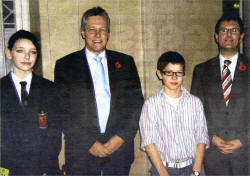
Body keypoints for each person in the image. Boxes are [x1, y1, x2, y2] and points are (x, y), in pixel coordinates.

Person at [54, 6, 143, 175]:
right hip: (82, 150)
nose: (97, 35)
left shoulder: (126, 63)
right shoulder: (66, 65)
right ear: (83, 33)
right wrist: (89, 143)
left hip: (119, 149)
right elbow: (62, 111)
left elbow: (136, 105)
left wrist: (120, 138)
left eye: (102, 30)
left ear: (108, 33)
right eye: (92, 30)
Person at [191, 15, 249, 175]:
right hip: (213, 154)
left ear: (242, 36)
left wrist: (243, 140)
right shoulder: (201, 71)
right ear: (216, 37)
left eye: (234, 30)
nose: (229, 35)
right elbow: (195, 112)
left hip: (246, 154)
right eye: (224, 30)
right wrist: (212, 137)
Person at [0, 30, 61, 175]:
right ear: (9, 53)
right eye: (20, 51)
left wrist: (46, 167)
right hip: (7, 168)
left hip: (43, 169)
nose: (27, 56)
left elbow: (54, 134)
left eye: (32, 52)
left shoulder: (50, 89)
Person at [139, 51, 209, 176]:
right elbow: (148, 143)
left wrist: (196, 171)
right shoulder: (151, 104)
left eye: (179, 73)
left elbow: (202, 138)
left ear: (184, 75)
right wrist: (164, 173)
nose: (174, 77)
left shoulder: (195, 103)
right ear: (160, 74)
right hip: (162, 169)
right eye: (169, 73)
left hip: (190, 168)